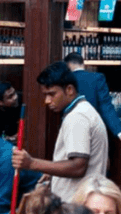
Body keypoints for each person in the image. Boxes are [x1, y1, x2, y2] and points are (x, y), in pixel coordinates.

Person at [13, 62, 109, 201]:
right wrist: (53, 171)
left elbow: (78, 167)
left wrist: (31, 163)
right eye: (45, 95)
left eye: (52, 94)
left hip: (75, 206)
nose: (47, 101)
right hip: (84, 202)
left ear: (69, 89)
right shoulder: (83, 111)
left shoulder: (77, 117)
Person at [65, 52, 121, 146]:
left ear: (67, 65)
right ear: (83, 64)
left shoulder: (64, 81)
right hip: (93, 132)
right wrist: (120, 132)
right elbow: (106, 107)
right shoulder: (97, 78)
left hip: (70, 130)